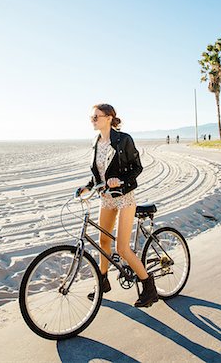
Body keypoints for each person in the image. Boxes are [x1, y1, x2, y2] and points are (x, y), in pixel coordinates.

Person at [77, 103, 158, 308]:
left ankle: (149, 288)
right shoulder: (96, 141)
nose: (93, 120)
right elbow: (98, 172)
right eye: (92, 117)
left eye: (97, 117)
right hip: (106, 197)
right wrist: (87, 187)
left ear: (109, 118)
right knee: (103, 241)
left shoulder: (124, 140)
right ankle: (103, 281)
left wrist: (120, 181)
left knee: (122, 248)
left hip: (124, 197)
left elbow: (137, 167)